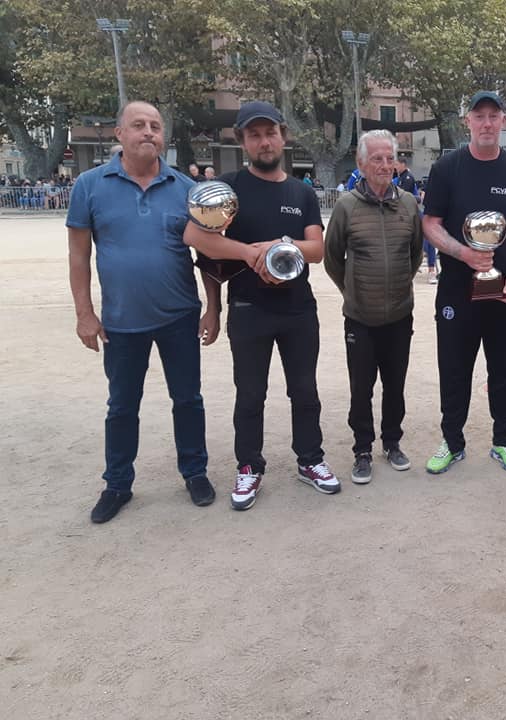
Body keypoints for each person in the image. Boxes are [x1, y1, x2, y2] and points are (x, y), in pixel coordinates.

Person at [67, 101, 220, 523]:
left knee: (188, 399)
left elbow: (207, 252)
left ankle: (195, 472)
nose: (149, 132)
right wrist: (85, 314)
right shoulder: (90, 185)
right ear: (119, 134)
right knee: (121, 406)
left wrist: (213, 307)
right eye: (138, 125)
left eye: (155, 126)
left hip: (180, 315)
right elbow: (78, 255)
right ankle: (118, 483)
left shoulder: (185, 188)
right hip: (120, 321)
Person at [183, 100, 337, 511]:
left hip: (298, 309)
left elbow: (317, 249)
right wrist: (247, 260)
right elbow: (198, 240)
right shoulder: (228, 191)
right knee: (250, 394)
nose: (264, 141)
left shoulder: (301, 191)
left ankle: (311, 460)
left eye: (270, 133)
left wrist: (281, 246)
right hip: (249, 308)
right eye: (254, 135)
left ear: (283, 136)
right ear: (243, 142)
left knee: (305, 391)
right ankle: (249, 467)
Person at [421, 90, 506, 474]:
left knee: (503, 369)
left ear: (503, 122)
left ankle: (503, 440)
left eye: (494, 116)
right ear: (467, 121)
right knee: (453, 368)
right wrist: (463, 254)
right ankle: (452, 441)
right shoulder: (447, 169)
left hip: (505, 293)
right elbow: (431, 224)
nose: (487, 123)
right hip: (458, 290)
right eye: (480, 116)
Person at [324, 130, 422, 484]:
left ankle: (392, 442)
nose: (383, 165)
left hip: (399, 314)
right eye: (375, 159)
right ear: (362, 164)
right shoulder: (346, 206)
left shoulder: (409, 204)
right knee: (361, 386)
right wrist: (354, 291)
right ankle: (362, 449)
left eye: (388, 158)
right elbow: (332, 258)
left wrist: (397, 287)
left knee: (395, 384)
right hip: (360, 318)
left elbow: (414, 255)